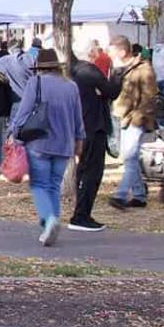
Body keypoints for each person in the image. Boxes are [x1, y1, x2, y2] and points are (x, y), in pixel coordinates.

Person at [8, 48, 83, 247]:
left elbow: (23, 112)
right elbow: (78, 118)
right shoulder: (71, 86)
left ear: (39, 68)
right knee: (53, 186)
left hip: (39, 141)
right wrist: (79, 141)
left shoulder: (36, 83)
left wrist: (15, 134)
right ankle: (52, 221)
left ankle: (49, 220)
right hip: (64, 143)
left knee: (39, 184)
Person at [65, 42, 122, 232]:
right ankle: (81, 215)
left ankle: (81, 213)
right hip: (93, 125)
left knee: (84, 169)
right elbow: (111, 91)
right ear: (92, 53)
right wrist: (117, 75)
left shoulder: (74, 71)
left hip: (80, 124)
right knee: (92, 171)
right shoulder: (89, 72)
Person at [107, 34, 160, 211]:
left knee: (130, 157)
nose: (110, 55)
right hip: (120, 116)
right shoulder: (119, 68)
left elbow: (150, 96)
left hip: (135, 119)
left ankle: (121, 195)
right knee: (129, 158)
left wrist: (137, 118)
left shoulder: (144, 69)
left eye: (113, 52)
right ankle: (139, 195)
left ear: (122, 52)